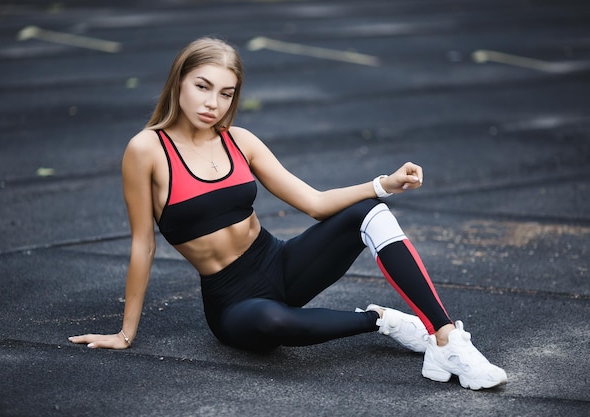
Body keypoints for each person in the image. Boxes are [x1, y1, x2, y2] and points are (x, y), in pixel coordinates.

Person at [69, 37, 507, 390]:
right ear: (179, 80)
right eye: (202, 86)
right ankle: (384, 321)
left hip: (279, 263)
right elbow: (143, 243)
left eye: (226, 93)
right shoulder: (146, 149)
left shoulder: (239, 140)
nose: (212, 103)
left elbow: (314, 203)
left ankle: (446, 338)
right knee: (272, 320)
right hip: (233, 302)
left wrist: (383, 184)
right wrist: (125, 334)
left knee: (369, 212)